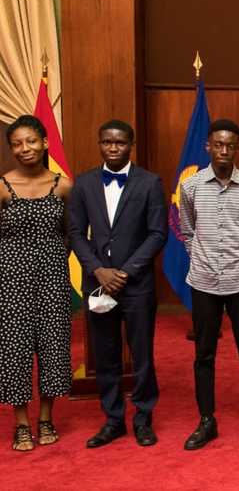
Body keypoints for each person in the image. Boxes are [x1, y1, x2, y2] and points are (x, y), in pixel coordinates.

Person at [68, 119, 167, 448]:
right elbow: (76, 234)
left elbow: (157, 234)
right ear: (100, 143)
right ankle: (113, 419)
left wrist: (125, 271)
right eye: (107, 142)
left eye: (120, 143)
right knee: (106, 354)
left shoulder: (150, 183)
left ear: (131, 145)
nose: (113, 148)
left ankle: (142, 418)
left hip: (135, 284)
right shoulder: (83, 184)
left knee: (142, 354)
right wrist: (98, 270)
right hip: (98, 283)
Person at [178, 119, 239, 450]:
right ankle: (206, 420)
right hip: (203, 280)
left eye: (230, 145)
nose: (223, 150)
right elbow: (187, 230)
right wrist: (201, 258)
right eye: (218, 144)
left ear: (237, 148)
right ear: (208, 146)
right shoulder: (190, 187)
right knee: (204, 353)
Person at [0, 116, 73, 452]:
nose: (24, 149)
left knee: (52, 347)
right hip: (11, 280)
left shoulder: (63, 186)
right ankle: (21, 423)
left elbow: (71, 234)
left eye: (31, 141)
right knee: (15, 351)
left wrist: (53, 260)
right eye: (17, 143)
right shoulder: (2, 186)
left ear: (45, 143)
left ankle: (46, 417)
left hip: (52, 278)